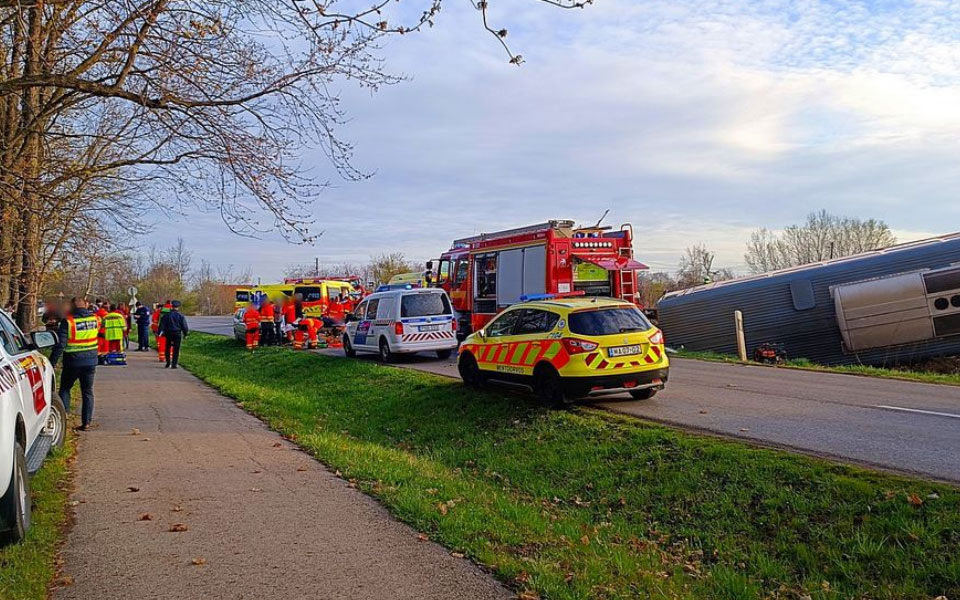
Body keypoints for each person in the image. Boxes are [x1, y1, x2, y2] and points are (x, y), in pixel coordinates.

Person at [49, 297, 99, 431]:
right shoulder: (95, 319)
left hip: (73, 362)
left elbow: (60, 345)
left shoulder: (69, 321)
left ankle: (64, 418)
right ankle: (86, 423)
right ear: (86, 305)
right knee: (87, 392)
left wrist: (51, 362)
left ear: (72, 307)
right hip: (90, 362)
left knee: (65, 388)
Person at [158, 300, 189, 368]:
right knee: (176, 349)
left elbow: (162, 325)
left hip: (168, 333)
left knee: (167, 348)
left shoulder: (166, 315)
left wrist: (159, 332)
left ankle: (168, 362)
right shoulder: (180, 316)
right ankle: (174, 364)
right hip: (177, 333)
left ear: (172, 306)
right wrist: (185, 334)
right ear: (178, 307)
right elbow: (184, 326)